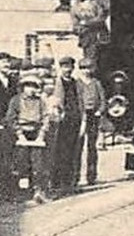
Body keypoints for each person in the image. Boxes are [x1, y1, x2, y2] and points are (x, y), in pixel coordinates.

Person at [6, 72, 55, 203]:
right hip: (21, 134)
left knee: (38, 164)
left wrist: (41, 134)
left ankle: (38, 191)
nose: (31, 89)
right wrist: (19, 134)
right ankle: (19, 193)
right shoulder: (16, 100)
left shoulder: (40, 101)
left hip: (36, 134)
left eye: (34, 86)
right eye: (28, 86)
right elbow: (11, 118)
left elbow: (46, 117)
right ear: (23, 87)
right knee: (20, 164)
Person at [51, 56, 84, 194]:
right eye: (65, 67)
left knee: (73, 152)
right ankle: (57, 183)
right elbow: (56, 101)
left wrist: (82, 120)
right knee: (60, 151)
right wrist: (59, 113)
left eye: (69, 67)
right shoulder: (57, 82)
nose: (67, 70)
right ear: (61, 68)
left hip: (75, 119)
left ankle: (70, 182)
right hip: (62, 121)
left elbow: (81, 101)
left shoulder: (76, 83)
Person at [74, 58, 105, 188]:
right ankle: (75, 176)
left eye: (88, 68)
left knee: (92, 146)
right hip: (81, 116)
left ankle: (91, 175)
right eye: (83, 68)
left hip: (93, 116)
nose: (86, 71)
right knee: (78, 147)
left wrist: (100, 111)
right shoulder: (77, 83)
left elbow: (103, 100)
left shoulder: (96, 83)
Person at [70, 0, 108, 64]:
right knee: (88, 58)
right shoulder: (74, 7)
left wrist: (87, 23)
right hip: (85, 37)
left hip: (98, 34)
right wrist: (78, 29)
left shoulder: (96, 3)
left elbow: (101, 17)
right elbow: (75, 23)